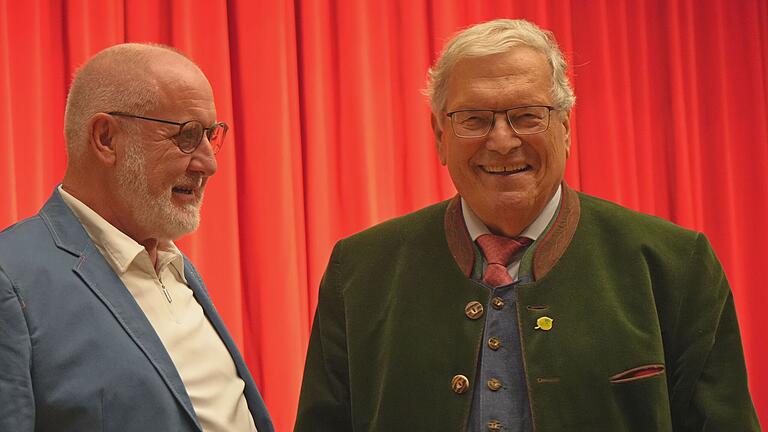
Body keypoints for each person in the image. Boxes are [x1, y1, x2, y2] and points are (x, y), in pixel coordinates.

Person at [294, 19, 759, 431]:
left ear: (566, 127)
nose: (501, 141)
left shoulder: (675, 264)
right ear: (439, 135)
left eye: (526, 116)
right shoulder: (361, 270)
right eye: (474, 119)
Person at [0, 43, 273, 432]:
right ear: (106, 138)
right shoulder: (11, 279)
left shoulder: (176, 268)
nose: (208, 163)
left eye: (210, 135)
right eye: (186, 135)